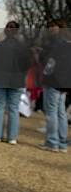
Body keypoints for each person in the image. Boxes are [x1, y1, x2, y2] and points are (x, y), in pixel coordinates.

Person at [0, 21, 31, 144]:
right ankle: (12, 137)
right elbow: (27, 65)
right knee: (13, 109)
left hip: (0, 78)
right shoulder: (23, 47)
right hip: (17, 80)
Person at [38, 20, 69, 153]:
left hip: (54, 80)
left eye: (53, 27)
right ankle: (62, 142)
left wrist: (40, 55)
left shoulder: (54, 43)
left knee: (51, 112)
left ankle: (52, 142)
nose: (50, 29)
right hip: (65, 81)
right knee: (61, 112)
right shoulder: (67, 42)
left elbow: (49, 62)